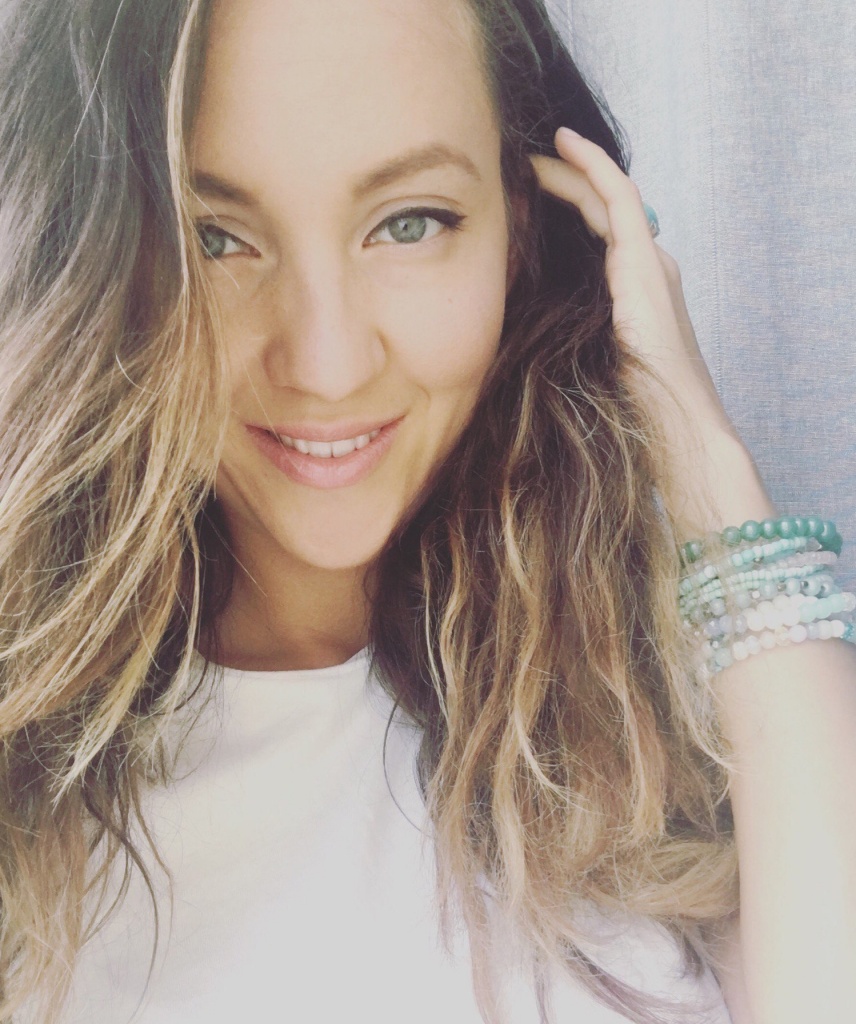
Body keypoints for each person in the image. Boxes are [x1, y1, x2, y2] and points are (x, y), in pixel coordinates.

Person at [0, 0, 854, 1021]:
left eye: (408, 223)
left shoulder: (688, 699)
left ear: (522, 225)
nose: (325, 364)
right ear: (95, 260)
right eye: (215, 238)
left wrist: (705, 459)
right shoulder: (26, 787)